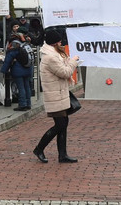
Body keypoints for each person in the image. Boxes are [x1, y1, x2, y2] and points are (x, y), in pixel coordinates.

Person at [32, 29, 79, 164]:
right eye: (58, 41)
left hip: (59, 94)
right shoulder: (50, 57)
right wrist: (74, 62)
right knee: (60, 125)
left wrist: (68, 59)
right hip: (55, 95)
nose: (61, 43)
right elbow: (65, 72)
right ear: (53, 43)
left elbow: (63, 66)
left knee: (63, 124)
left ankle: (62, 155)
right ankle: (39, 148)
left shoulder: (54, 53)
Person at [0, 34, 33, 111]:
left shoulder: (14, 48)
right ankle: (28, 103)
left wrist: (3, 71)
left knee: (20, 87)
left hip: (18, 71)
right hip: (28, 69)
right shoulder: (25, 46)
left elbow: (7, 61)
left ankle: (22, 104)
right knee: (27, 86)